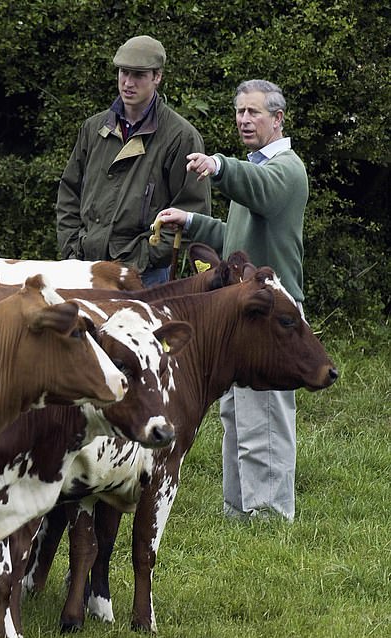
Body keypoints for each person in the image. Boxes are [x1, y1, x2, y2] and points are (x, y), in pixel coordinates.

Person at [154, 79, 309, 521]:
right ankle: (239, 510)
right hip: (246, 313)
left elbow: (257, 189)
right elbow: (234, 236)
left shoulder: (285, 170)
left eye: (254, 112)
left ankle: (270, 514)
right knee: (236, 415)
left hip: (274, 315)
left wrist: (219, 166)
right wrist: (193, 221)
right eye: (240, 112)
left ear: (277, 119)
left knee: (266, 419)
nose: (243, 119)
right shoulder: (255, 168)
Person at [56, 35, 211, 287]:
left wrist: (143, 259)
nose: (128, 83)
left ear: (157, 77)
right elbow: (69, 191)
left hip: (143, 275)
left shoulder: (180, 137)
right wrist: (73, 248)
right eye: (123, 73)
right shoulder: (94, 127)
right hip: (85, 268)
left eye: (138, 75)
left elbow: (191, 211)